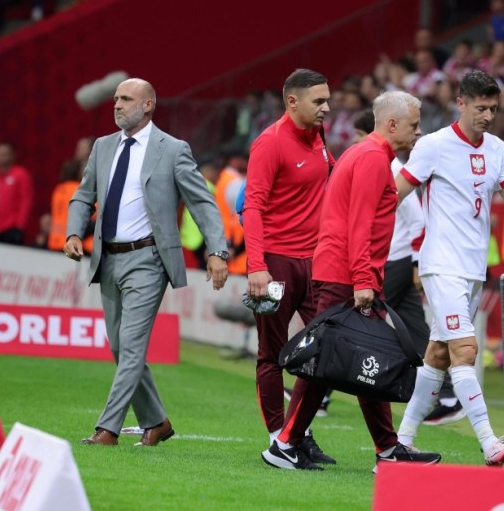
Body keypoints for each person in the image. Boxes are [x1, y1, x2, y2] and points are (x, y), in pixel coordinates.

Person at [392, 71, 504, 466]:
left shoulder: (497, 149)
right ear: (461, 103)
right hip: (442, 266)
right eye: (481, 108)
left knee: (438, 354)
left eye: (493, 108)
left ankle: (401, 441)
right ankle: (490, 442)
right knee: (466, 349)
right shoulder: (434, 146)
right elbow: (395, 194)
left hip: (473, 271)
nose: (488, 116)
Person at [264, 91, 441, 472]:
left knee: (361, 360)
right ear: (392, 124)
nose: (418, 132)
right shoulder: (373, 159)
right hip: (347, 276)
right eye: (413, 125)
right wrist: (363, 279)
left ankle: (386, 449)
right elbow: (359, 226)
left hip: (342, 271)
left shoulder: (364, 154)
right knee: (327, 360)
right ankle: (287, 442)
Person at [64, 78, 229, 447]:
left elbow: (201, 202)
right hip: (107, 258)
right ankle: (156, 422)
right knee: (120, 348)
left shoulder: (173, 149)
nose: (117, 104)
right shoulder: (103, 146)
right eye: (116, 98)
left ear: (148, 105)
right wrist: (73, 233)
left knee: (131, 347)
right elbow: (83, 195)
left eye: (126, 99)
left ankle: (107, 429)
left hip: (149, 259)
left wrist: (217, 251)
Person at [242, 69, 336, 465]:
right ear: (292, 101)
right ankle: (279, 441)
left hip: (316, 262)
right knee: (271, 354)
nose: (327, 108)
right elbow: (253, 206)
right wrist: (256, 266)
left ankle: (296, 433)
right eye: (319, 101)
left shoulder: (319, 136)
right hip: (276, 263)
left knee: (328, 348)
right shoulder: (269, 143)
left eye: (327, 100)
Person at [0, 141, 33, 245]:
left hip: (11, 228)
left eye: (5, 154)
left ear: (13, 155)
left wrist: (20, 226)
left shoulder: (21, 175)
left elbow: (26, 201)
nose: (1, 157)